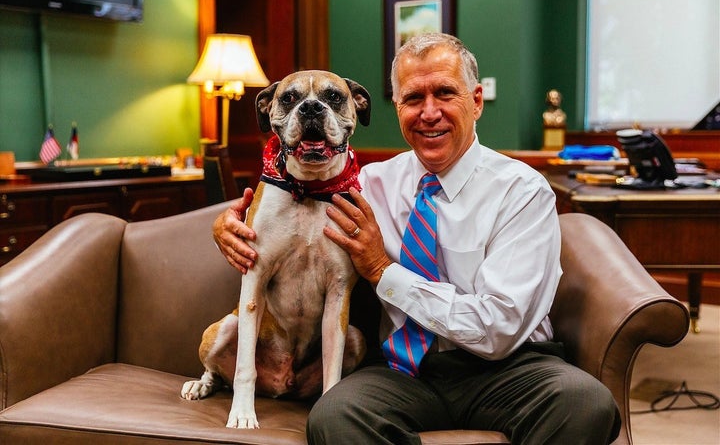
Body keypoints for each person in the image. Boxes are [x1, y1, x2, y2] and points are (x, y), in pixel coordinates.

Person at [212, 33, 621, 444]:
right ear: (396, 108)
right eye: (412, 99)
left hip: (510, 369)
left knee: (585, 403)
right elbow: (290, 207)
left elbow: (499, 330)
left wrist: (383, 271)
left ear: (476, 101)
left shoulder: (522, 191)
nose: (429, 113)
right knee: (334, 417)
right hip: (403, 372)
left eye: (445, 93)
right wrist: (225, 226)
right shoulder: (367, 185)